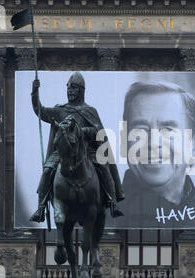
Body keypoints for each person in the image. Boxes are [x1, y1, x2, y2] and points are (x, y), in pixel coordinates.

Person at [110, 81, 195, 229]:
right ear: (125, 142)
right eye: (141, 129)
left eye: (168, 129)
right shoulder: (94, 218)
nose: (153, 143)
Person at [29, 72, 125, 223]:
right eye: (68, 88)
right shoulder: (60, 110)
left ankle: (112, 202)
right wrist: (34, 93)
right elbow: (39, 111)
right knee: (47, 171)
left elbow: (98, 132)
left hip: (87, 151)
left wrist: (83, 131)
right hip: (63, 152)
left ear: (81, 90)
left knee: (105, 169)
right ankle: (41, 207)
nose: (70, 91)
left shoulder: (90, 111)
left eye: (73, 88)